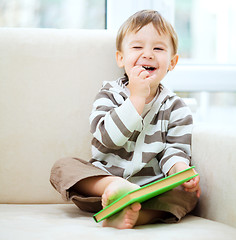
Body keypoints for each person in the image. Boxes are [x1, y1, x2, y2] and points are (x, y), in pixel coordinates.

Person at [50, 10, 201, 229]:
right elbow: (107, 139)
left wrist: (180, 172)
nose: (147, 54)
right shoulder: (109, 94)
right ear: (121, 58)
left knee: (189, 196)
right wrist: (136, 99)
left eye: (158, 48)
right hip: (103, 187)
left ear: (172, 62)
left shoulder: (176, 107)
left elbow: (175, 150)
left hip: (148, 191)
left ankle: (136, 215)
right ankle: (118, 189)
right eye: (138, 47)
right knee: (62, 167)